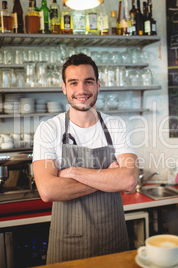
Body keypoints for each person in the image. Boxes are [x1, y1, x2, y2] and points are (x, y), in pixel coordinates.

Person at [32, 53, 139, 264]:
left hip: (113, 242)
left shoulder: (116, 126)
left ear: (98, 85)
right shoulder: (49, 129)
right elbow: (48, 191)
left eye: (88, 82)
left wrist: (74, 172)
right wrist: (109, 177)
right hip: (67, 246)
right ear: (64, 87)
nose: (82, 90)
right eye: (73, 83)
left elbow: (129, 180)